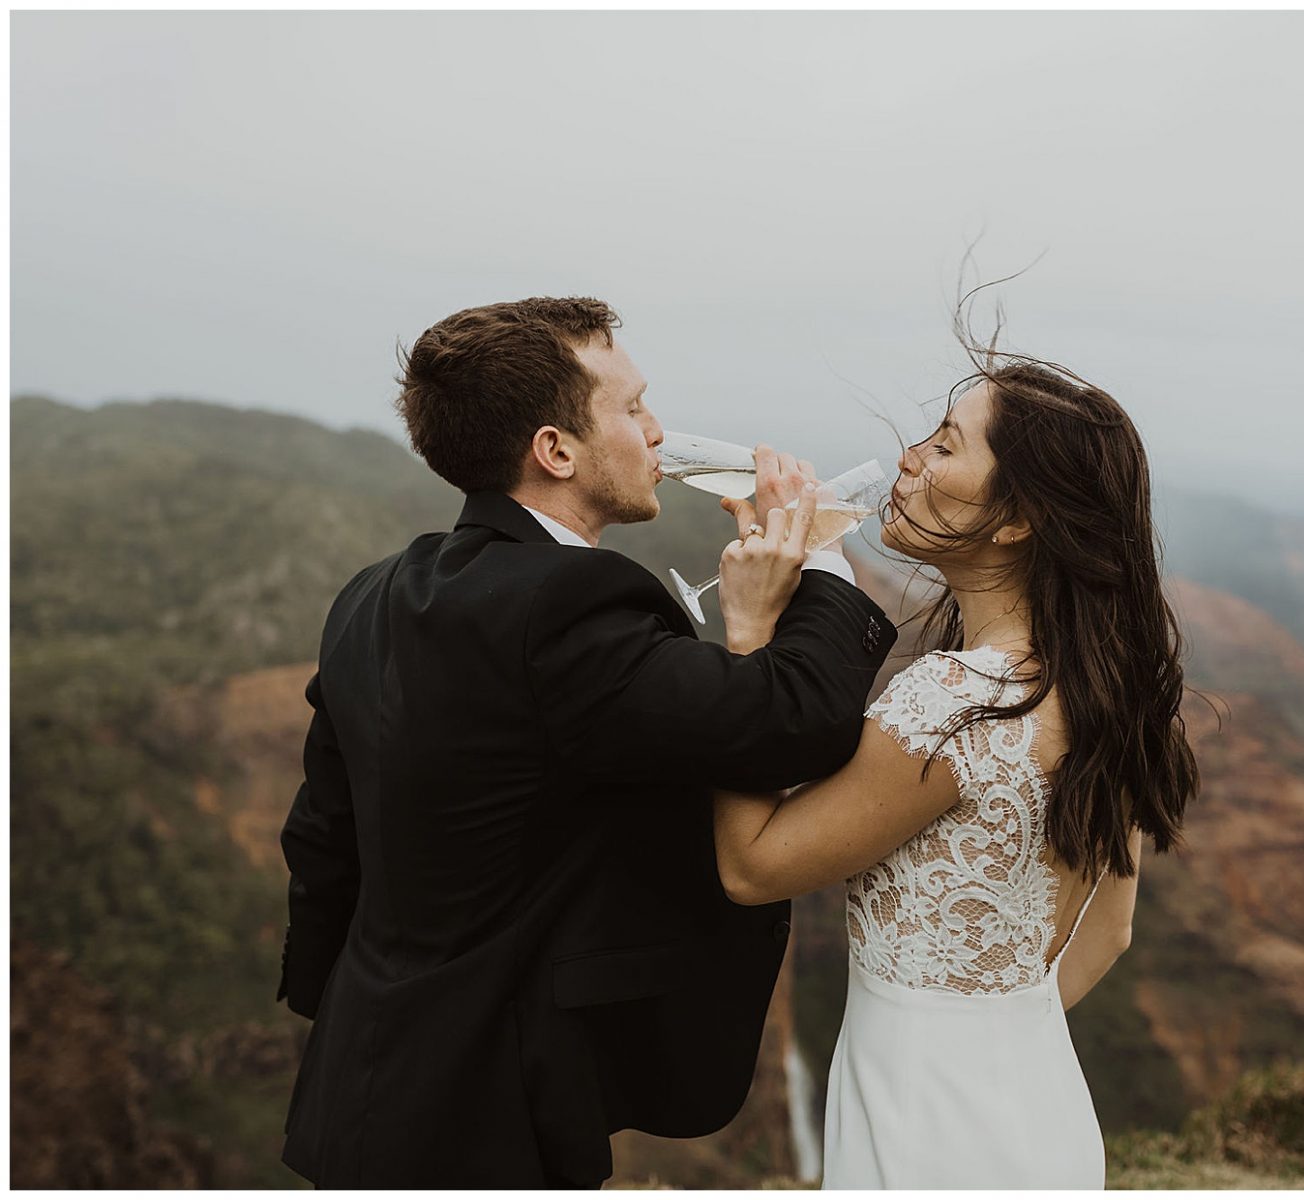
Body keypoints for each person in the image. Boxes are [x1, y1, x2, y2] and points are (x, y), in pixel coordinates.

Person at [276, 296, 898, 1187]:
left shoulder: (371, 595)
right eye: (632, 408)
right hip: (485, 1114)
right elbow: (785, 721)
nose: (658, 431)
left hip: (358, 1084)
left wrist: (338, 1005)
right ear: (555, 450)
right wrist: (820, 556)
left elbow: (324, 838)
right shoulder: (569, 605)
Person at [712, 346, 1200, 1188]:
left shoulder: (956, 702)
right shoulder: (1102, 685)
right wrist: (988, 1036)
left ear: (1017, 518)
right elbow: (1106, 936)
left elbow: (752, 867)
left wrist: (753, 638)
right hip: (1039, 1102)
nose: (907, 458)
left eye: (943, 446)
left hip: (920, 1114)